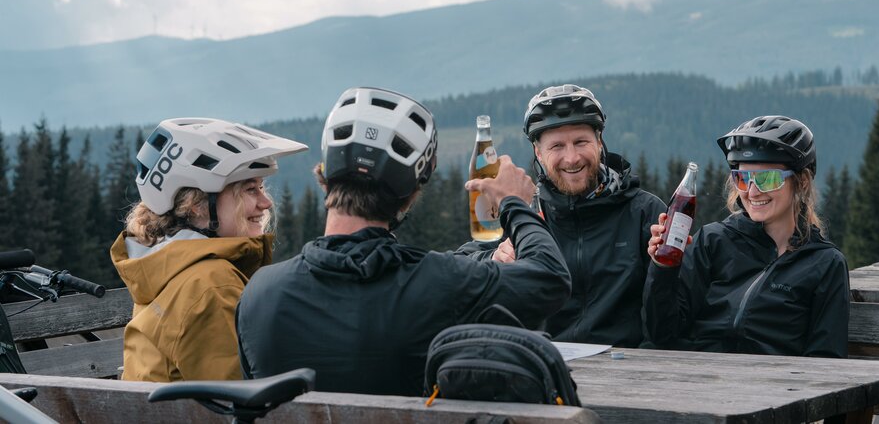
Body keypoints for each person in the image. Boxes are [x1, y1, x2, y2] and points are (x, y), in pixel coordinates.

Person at [236, 87, 571, 395]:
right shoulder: (440, 283)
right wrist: (515, 202)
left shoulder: (260, 293)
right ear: (410, 195)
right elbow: (550, 278)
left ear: (324, 180)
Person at [459, 84, 665, 347]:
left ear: (599, 142)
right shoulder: (524, 213)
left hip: (631, 370)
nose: (571, 158)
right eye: (556, 146)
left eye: (581, 142)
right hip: (546, 366)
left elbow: (670, 320)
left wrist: (665, 269)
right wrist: (491, 258)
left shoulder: (645, 213)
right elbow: (460, 265)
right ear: (538, 153)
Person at [111, 118, 308, 382]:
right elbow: (241, 401)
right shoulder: (210, 285)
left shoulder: (165, 265)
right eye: (250, 189)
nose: (266, 202)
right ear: (197, 204)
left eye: (261, 187)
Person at [643, 115, 850, 357]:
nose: (752, 191)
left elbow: (825, 359)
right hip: (697, 381)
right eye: (742, 179)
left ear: (802, 182)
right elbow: (661, 334)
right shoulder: (713, 241)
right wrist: (663, 269)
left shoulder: (824, 264)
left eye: (767, 179)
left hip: (773, 389)